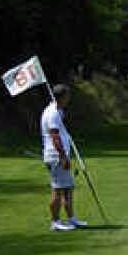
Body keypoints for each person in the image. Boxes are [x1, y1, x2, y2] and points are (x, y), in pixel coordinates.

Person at [40, 84, 87, 231]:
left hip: (60, 155)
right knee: (58, 189)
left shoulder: (57, 111)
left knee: (68, 188)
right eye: (67, 96)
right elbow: (55, 136)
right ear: (62, 97)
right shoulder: (53, 113)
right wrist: (63, 157)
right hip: (56, 156)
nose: (69, 99)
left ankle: (72, 219)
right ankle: (55, 221)